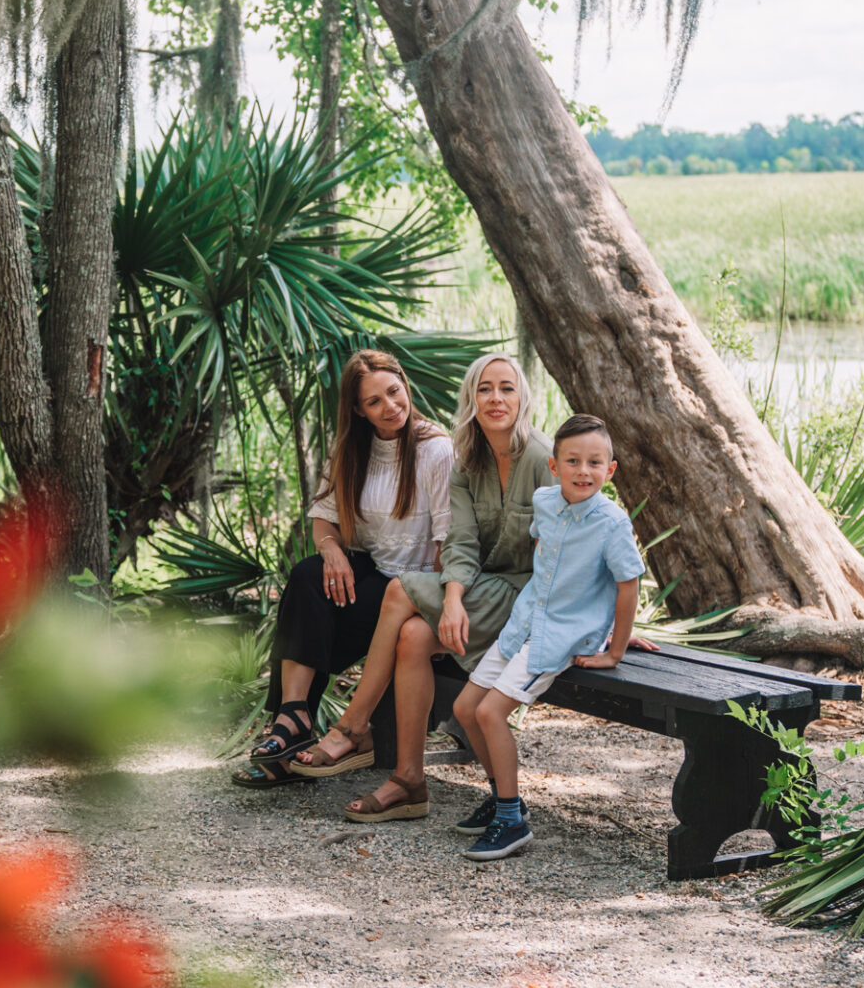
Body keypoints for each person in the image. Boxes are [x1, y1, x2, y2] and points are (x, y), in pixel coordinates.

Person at [292, 353, 551, 821]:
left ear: (523, 396)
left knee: (398, 592)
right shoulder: (467, 458)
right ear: (470, 398)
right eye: (484, 389)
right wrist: (452, 599)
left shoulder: (540, 457)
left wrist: (605, 623)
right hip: (482, 591)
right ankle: (409, 780)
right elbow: (462, 542)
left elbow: (581, 544)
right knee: (412, 636)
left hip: (530, 600)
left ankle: (353, 724)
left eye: (507, 388)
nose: (495, 398)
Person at [238, 348, 452, 799]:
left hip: (416, 588)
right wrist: (332, 548)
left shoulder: (436, 448)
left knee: (323, 609)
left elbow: (447, 543)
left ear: (405, 384)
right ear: (358, 409)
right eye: (374, 401)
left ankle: (298, 738)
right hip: (373, 575)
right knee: (308, 578)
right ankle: (294, 718)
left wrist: (428, 600)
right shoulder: (350, 449)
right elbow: (323, 516)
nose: (390, 406)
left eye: (394, 392)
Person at [451, 413, 646, 862]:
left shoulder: (611, 523)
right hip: (525, 622)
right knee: (465, 708)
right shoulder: (544, 501)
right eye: (573, 461)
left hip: (562, 634)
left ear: (610, 470)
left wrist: (615, 647)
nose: (584, 471)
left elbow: (628, 584)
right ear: (554, 466)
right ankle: (504, 795)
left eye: (595, 463)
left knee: (492, 713)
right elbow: (542, 547)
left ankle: (511, 821)